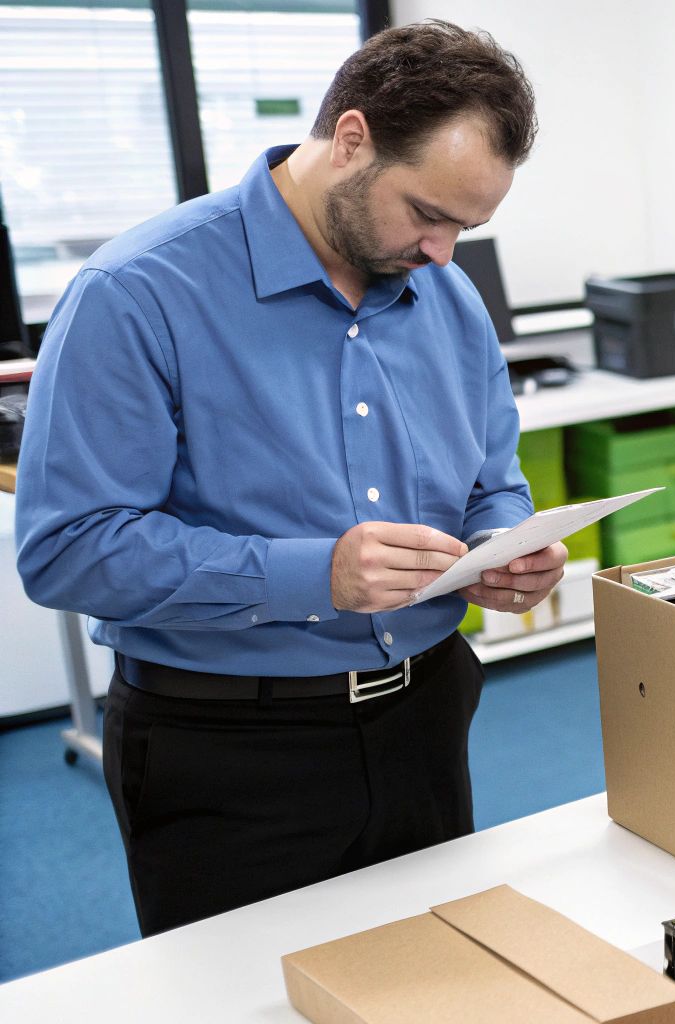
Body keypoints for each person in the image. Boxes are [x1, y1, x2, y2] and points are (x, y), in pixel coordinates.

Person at [14, 20, 562, 936]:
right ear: (350, 140)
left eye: (466, 227)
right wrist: (316, 576)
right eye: (427, 214)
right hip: (229, 750)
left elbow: (491, 479)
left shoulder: (449, 298)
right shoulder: (138, 293)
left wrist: (506, 545)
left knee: (429, 987)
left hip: (426, 716)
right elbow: (67, 552)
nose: (443, 252)